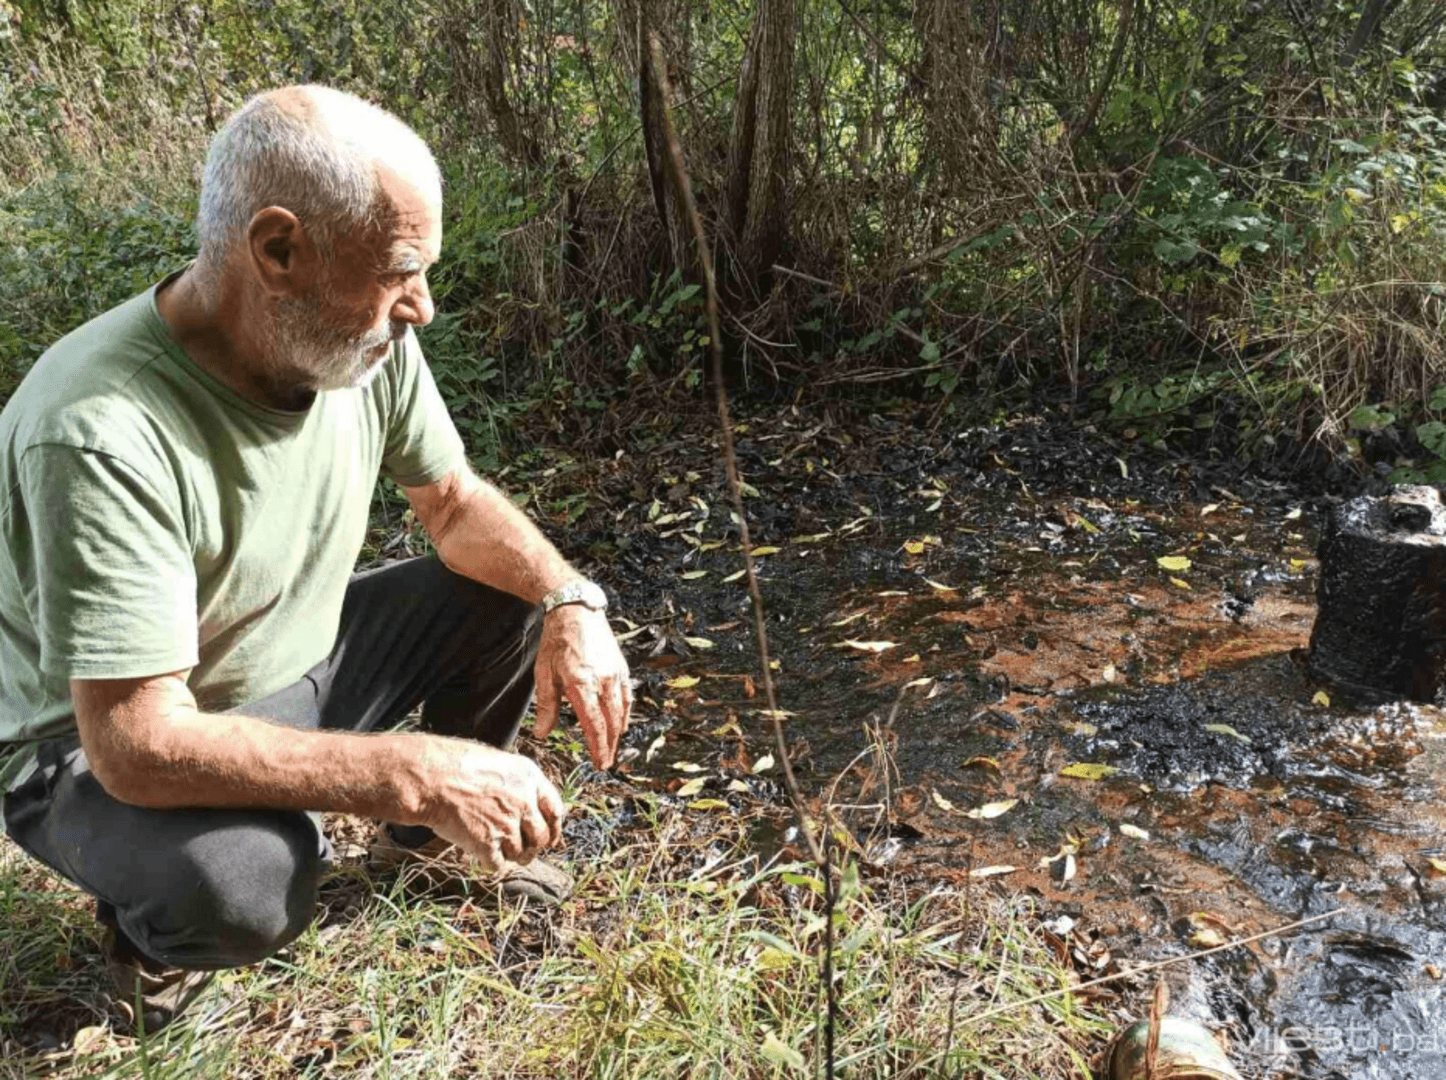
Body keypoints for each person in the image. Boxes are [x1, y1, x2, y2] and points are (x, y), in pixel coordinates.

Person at [0, 85, 631, 1029]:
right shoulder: (100, 429)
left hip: (291, 663)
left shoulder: (358, 340)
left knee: (504, 594)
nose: (420, 306)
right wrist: (409, 768)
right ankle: (150, 950)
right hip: (90, 751)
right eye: (400, 271)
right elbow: (134, 744)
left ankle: (419, 848)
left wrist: (572, 600)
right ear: (278, 251)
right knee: (243, 883)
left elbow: (455, 507)